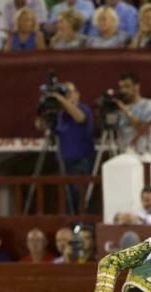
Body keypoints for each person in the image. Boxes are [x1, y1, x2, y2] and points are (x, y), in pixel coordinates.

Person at [42, 80, 94, 212]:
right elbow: (42, 126)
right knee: (67, 199)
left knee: (79, 196)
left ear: (77, 94)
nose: (66, 96)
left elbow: (80, 118)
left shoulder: (84, 109)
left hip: (81, 161)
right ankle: (71, 225)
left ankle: (82, 225)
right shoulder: (60, 115)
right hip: (64, 162)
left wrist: (60, 99)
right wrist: (41, 109)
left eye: (68, 93)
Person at [114, 71, 151, 154]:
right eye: (121, 87)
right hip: (124, 154)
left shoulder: (148, 104)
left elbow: (143, 130)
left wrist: (127, 112)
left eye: (127, 87)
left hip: (142, 155)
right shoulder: (120, 108)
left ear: (136, 87)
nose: (123, 91)